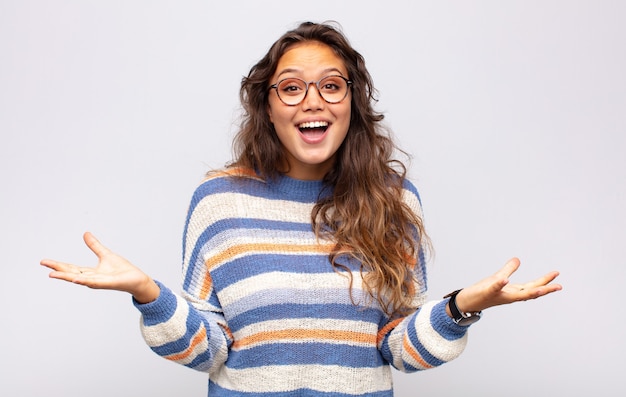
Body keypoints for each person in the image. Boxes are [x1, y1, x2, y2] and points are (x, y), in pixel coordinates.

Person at [41, 21, 561, 396]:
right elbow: (208, 351)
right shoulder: (219, 200)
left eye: (331, 85)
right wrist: (148, 293)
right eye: (290, 88)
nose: (312, 101)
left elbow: (400, 350)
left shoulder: (394, 201)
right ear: (266, 106)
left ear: (351, 102)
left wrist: (461, 306)